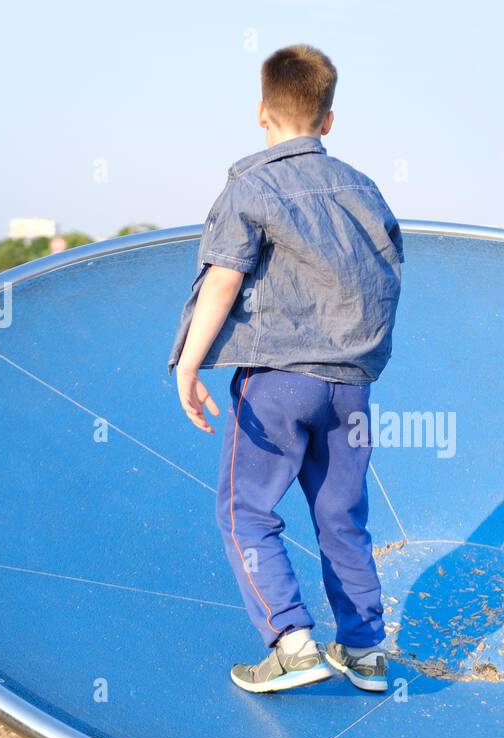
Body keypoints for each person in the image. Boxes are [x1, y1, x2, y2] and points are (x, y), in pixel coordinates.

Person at [168, 44, 404, 693]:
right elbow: (387, 274)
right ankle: (363, 649)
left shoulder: (253, 183)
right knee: (341, 516)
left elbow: (222, 281)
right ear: (328, 121)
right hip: (349, 385)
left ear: (261, 112)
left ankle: (292, 643)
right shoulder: (364, 188)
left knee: (246, 510)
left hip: (277, 380)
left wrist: (189, 365)